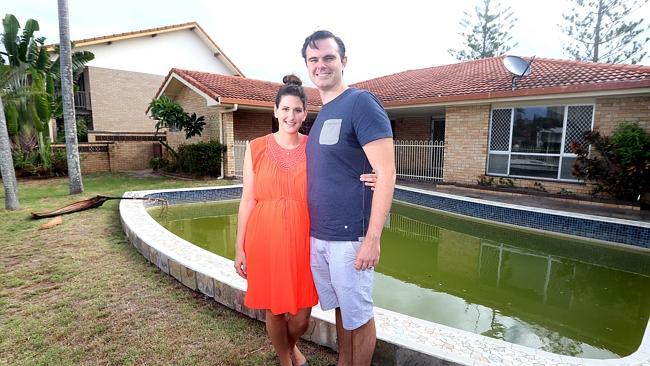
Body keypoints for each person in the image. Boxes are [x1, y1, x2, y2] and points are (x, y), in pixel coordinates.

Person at [233, 75, 378, 366]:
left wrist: (372, 176)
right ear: (275, 111)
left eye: (297, 110)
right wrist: (240, 248)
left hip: (304, 237)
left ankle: (293, 345)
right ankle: (289, 359)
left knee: (301, 317)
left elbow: (342, 169)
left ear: (305, 113)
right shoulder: (256, 147)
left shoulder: (314, 147)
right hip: (265, 236)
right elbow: (248, 199)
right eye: (285, 109)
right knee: (274, 310)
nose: (290, 116)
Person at [303, 30, 396, 366]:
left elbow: (386, 173)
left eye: (328, 57)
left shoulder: (361, 103)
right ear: (307, 66)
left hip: (350, 236)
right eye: (313, 59)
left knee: (359, 313)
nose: (321, 64)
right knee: (343, 307)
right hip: (321, 235)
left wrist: (372, 239)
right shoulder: (322, 113)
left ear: (343, 61)